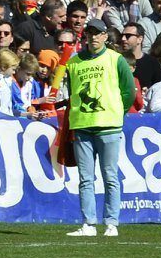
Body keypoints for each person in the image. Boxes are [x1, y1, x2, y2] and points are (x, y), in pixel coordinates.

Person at [58, 16, 136, 236]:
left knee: (110, 175)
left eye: (97, 33)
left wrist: (116, 112)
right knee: (85, 178)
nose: (93, 37)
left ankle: (111, 222)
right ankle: (88, 223)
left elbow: (129, 91)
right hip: (82, 125)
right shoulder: (73, 62)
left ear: (105, 36)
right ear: (86, 36)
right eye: (89, 33)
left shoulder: (116, 59)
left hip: (108, 125)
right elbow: (72, 92)